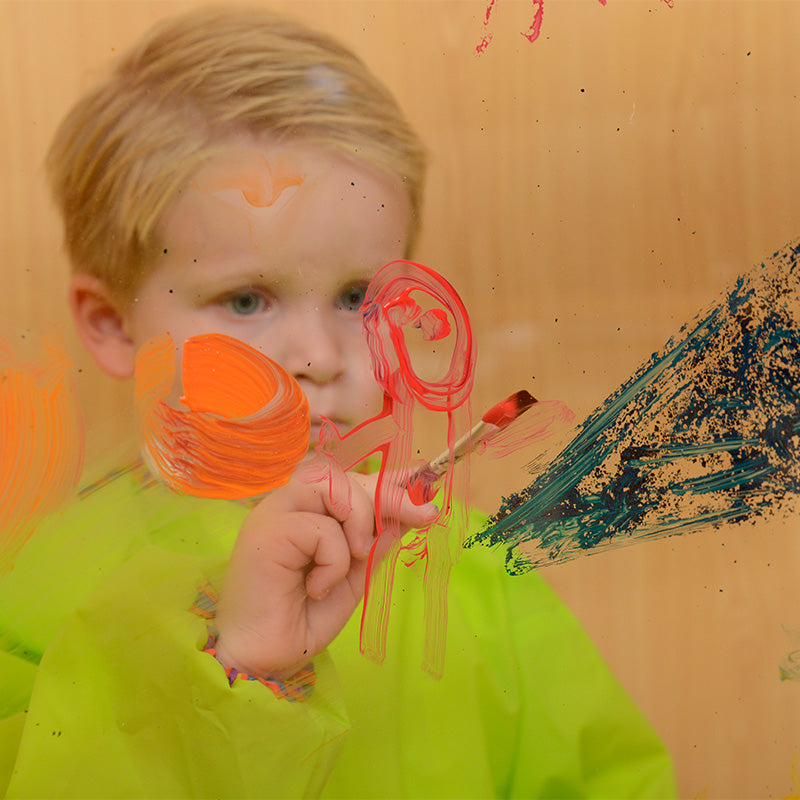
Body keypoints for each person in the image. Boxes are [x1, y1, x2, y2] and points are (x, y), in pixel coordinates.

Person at [0, 6, 676, 797]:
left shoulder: (475, 572)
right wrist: (236, 668)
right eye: (246, 301)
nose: (319, 357)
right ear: (113, 325)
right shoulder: (41, 591)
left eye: (360, 296)